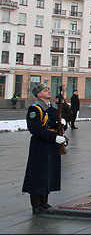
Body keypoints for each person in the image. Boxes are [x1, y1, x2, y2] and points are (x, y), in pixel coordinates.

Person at [22, 84, 67, 214]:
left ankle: (44, 201)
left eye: (48, 89)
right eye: (44, 90)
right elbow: (35, 129)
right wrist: (53, 138)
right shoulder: (35, 108)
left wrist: (62, 125)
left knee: (49, 172)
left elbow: (56, 126)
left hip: (52, 145)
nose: (48, 91)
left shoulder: (53, 107)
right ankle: (36, 204)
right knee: (38, 174)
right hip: (40, 145)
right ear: (38, 94)